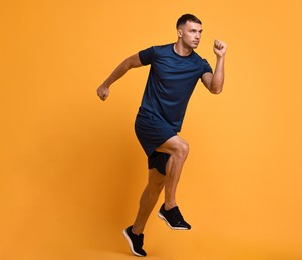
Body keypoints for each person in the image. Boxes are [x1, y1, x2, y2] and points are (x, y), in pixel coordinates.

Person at [96, 14, 227, 257]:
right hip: (147, 120)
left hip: (168, 128)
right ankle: (170, 207)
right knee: (182, 148)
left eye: (200, 32)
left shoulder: (199, 64)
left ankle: (135, 232)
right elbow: (128, 62)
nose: (197, 36)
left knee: (155, 184)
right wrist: (106, 84)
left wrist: (220, 59)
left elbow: (215, 88)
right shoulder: (158, 53)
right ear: (180, 32)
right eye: (192, 31)